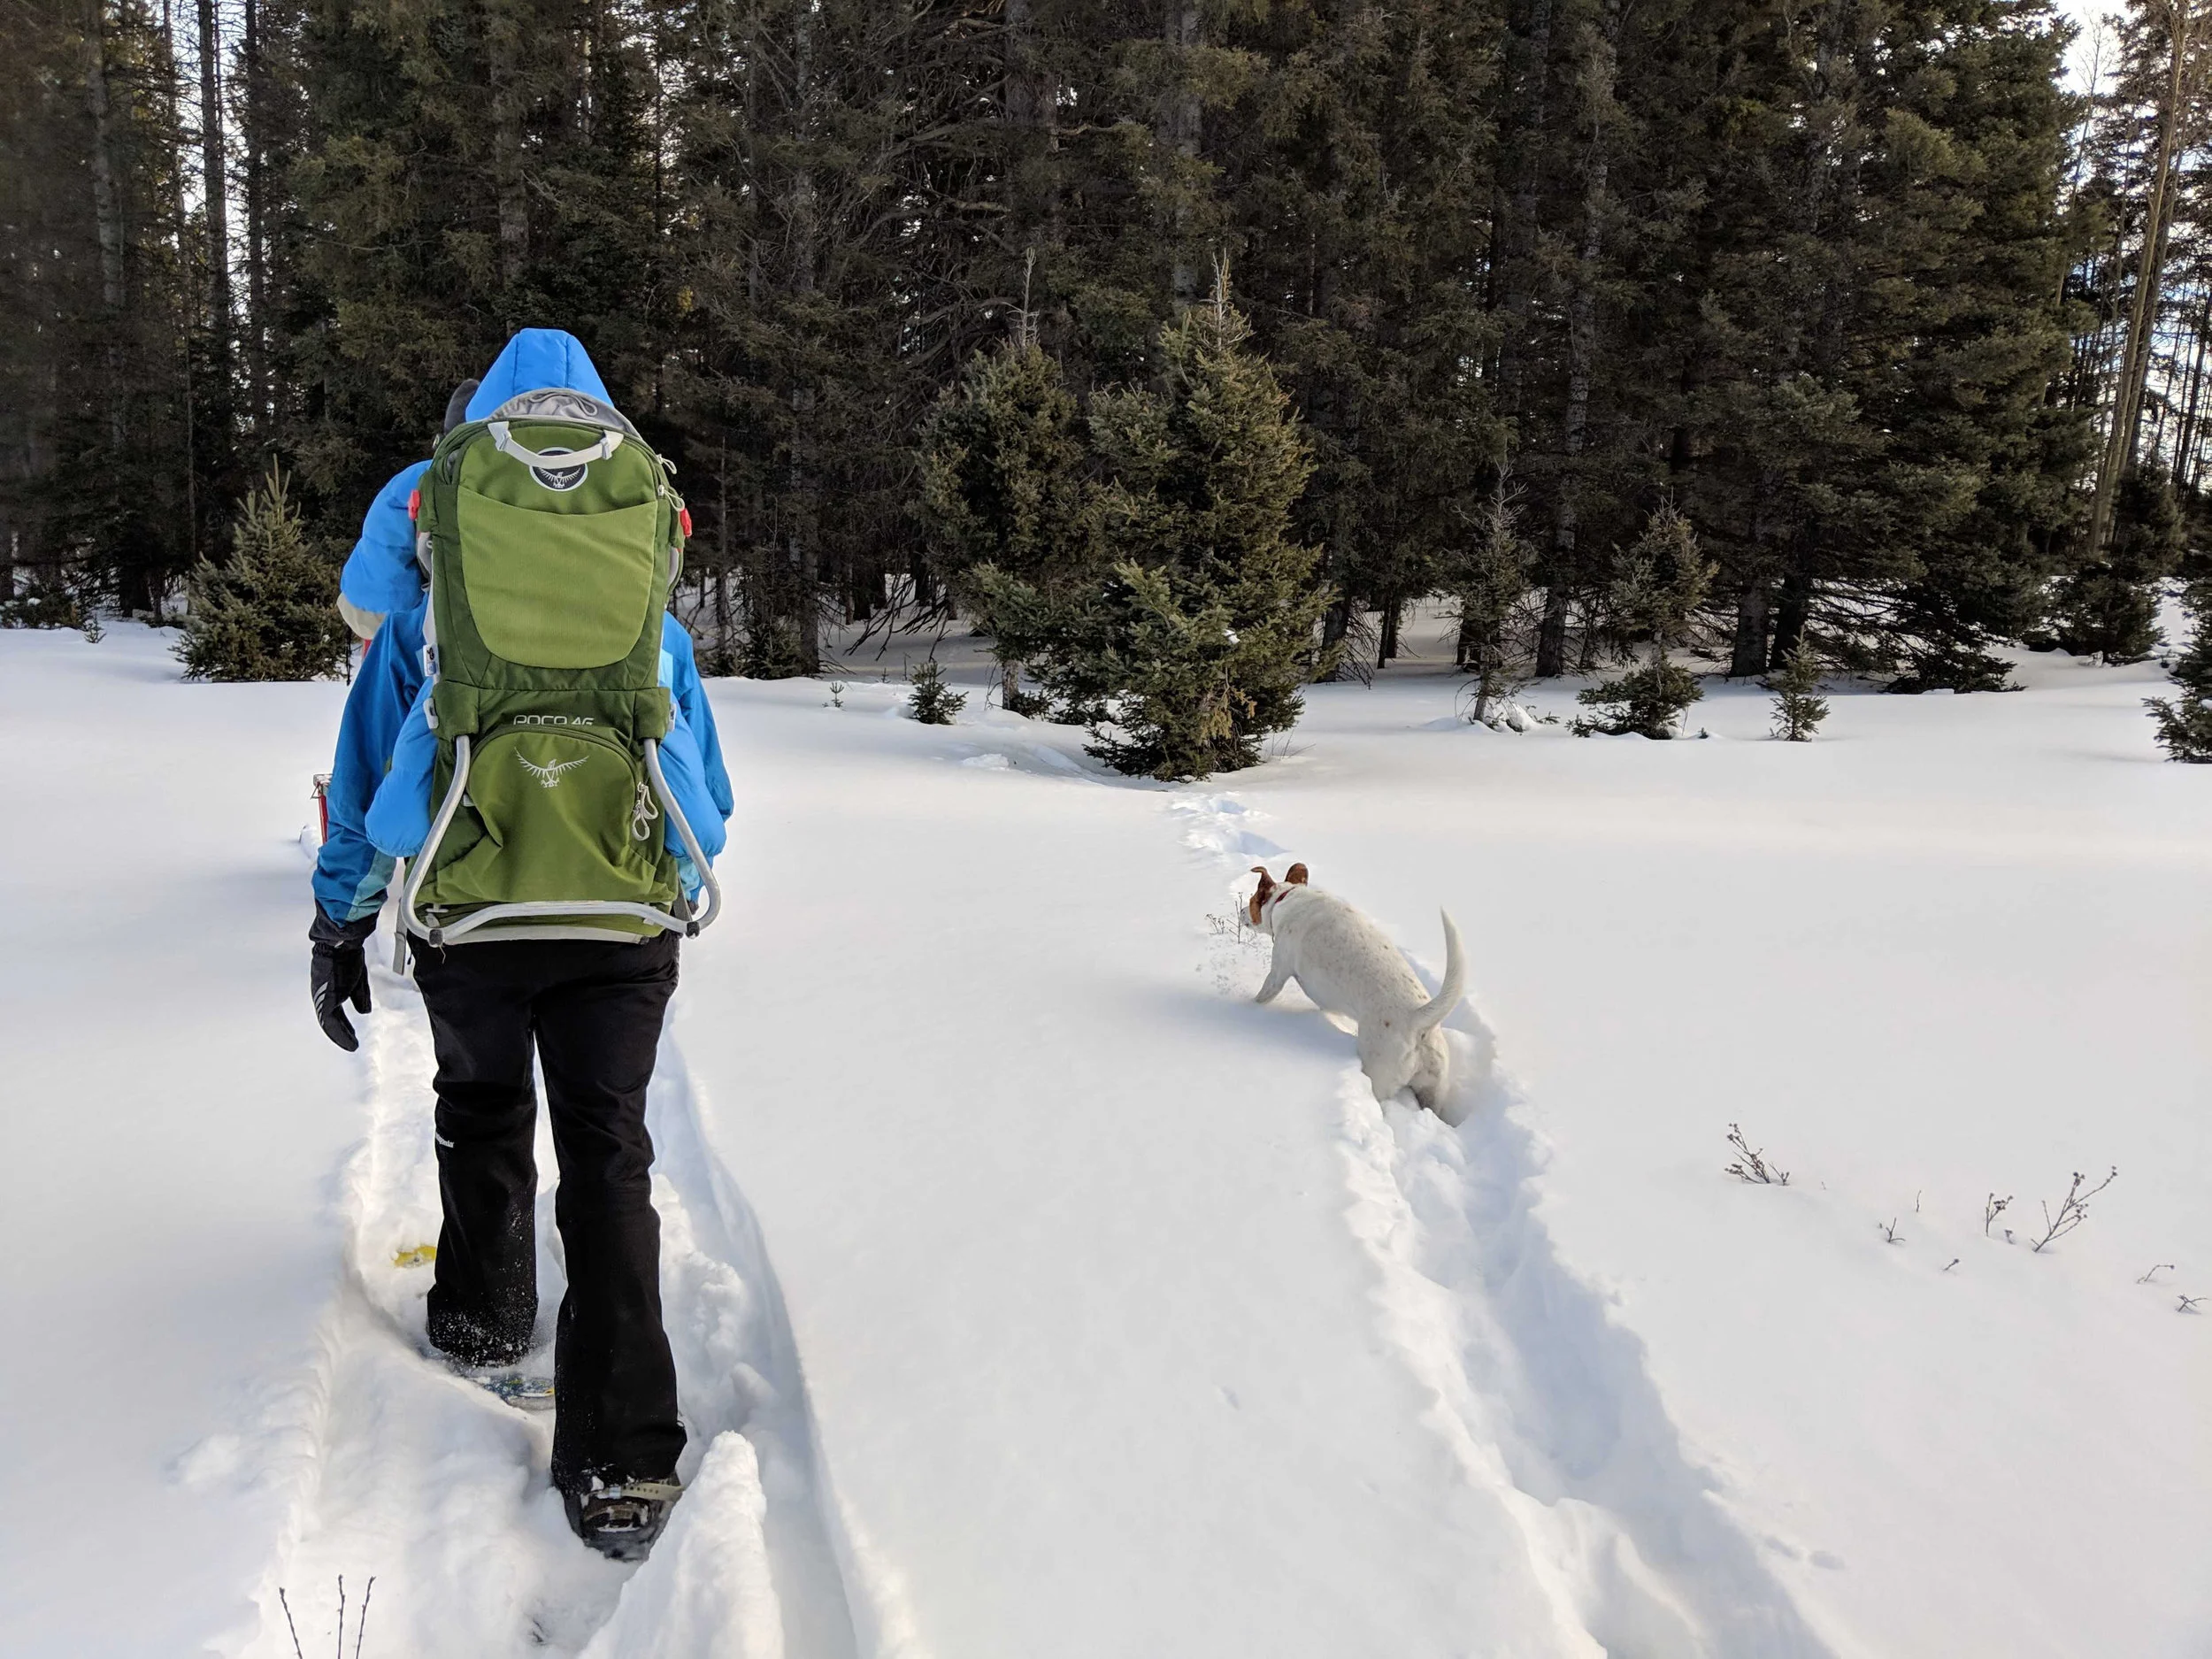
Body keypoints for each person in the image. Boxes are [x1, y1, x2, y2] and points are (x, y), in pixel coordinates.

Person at [308, 328, 733, 1560]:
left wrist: (340, 921)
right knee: (609, 1152)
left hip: (471, 912)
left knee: (483, 1106)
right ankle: (624, 1457)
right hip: (622, 919)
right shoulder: (651, 627)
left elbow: (364, 784)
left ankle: (485, 1319)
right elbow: (711, 798)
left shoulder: (425, 625)